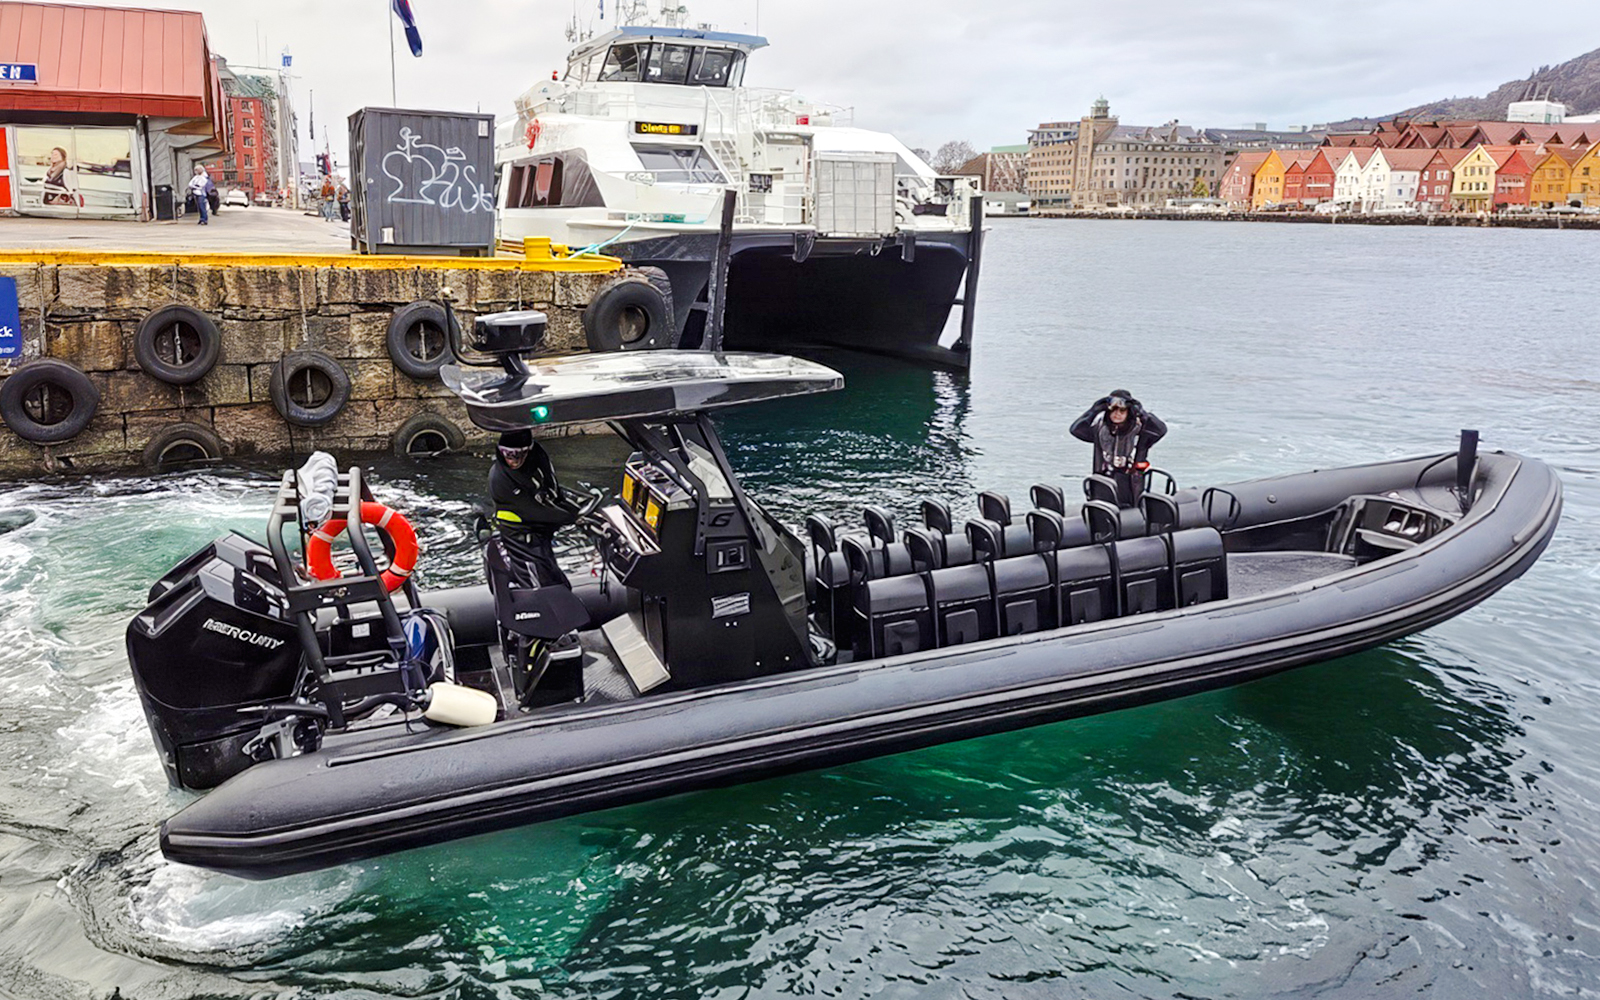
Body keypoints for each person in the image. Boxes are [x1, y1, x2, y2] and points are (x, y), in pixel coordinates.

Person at [1069, 389, 1167, 507]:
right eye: (1114, 410)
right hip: (1104, 481)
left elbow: (1161, 430)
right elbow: (1076, 430)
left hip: (1130, 484)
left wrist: (1142, 413)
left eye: (1122, 410)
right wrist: (1093, 410)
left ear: (1128, 412)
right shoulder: (1100, 430)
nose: (1117, 414)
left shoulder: (1141, 431)